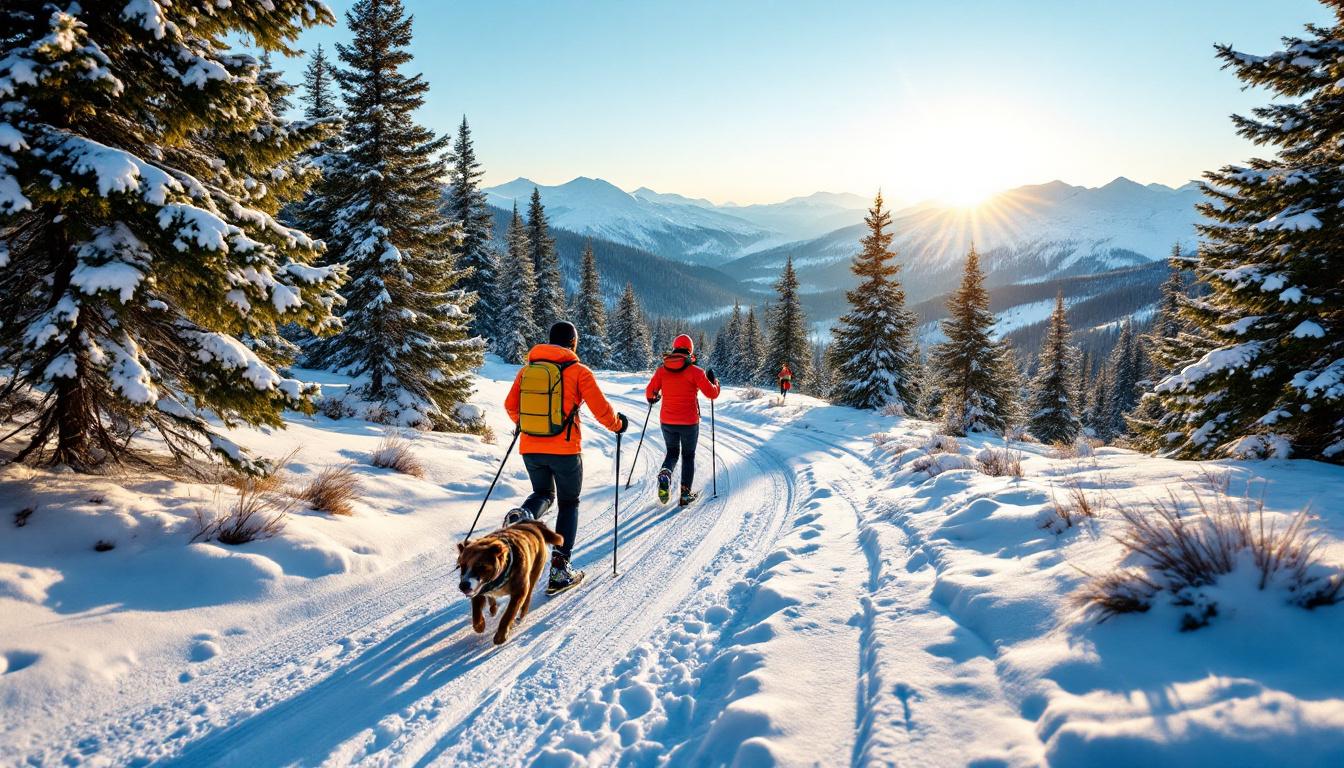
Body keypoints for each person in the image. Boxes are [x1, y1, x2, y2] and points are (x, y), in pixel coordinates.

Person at [504, 321, 628, 595]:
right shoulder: (578, 371)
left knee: (543, 493)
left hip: (531, 448)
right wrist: (618, 425)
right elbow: (601, 409)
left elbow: (510, 406)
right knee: (569, 503)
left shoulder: (527, 370)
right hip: (566, 450)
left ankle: (525, 515)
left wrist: (527, 425)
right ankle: (560, 570)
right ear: (573, 343)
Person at [644, 334, 720, 506]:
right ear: (690, 350)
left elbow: (650, 394)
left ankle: (665, 473)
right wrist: (714, 381)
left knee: (672, 453)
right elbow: (712, 393)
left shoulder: (662, 370)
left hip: (667, 421)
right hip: (689, 422)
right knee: (688, 456)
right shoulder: (696, 371)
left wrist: (654, 398)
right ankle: (685, 495)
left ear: (674, 348)